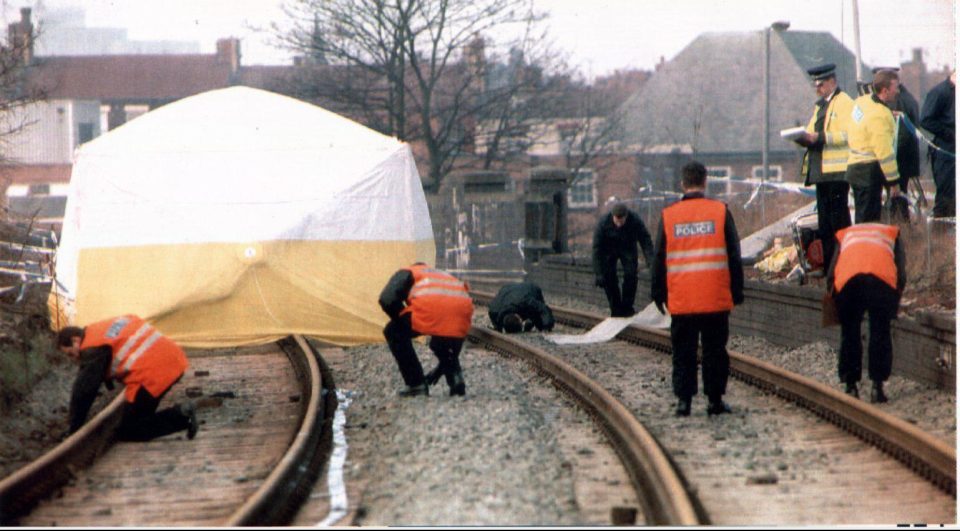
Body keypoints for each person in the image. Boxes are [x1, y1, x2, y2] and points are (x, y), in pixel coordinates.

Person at [650, 161, 744, 417]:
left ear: (683, 183)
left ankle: (684, 402)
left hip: (682, 299)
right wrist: (737, 290)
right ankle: (714, 401)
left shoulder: (669, 216)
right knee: (715, 351)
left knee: (683, 351)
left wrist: (658, 293)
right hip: (714, 297)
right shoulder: (720, 212)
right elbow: (734, 254)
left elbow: (658, 257)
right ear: (705, 182)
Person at [57, 315, 198, 441]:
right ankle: (182, 415)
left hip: (153, 375)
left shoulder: (92, 347)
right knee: (140, 415)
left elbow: (84, 391)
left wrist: (73, 429)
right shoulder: (100, 330)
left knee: (129, 429)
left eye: (71, 354)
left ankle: (182, 415)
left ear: (75, 340)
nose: (75, 359)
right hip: (175, 360)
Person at [826, 222, 905, 403]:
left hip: (848, 281)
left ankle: (850, 386)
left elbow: (831, 272)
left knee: (849, 332)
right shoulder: (892, 233)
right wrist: (895, 296)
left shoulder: (845, 234)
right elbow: (901, 273)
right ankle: (877, 388)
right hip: (881, 280)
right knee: (880, 332)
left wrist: (833, 296)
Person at [379, 262, 474, 397]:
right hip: (462, 314)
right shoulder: (442, 275)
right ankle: (456, 379)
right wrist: (440, 369)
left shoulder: (408, 271)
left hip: (431, 310)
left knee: (393, 331)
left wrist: (400, 319)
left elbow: (386, 299)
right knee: (441, 340)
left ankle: (416, 384)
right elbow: (453, 345)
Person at [794, 63, 854, 266]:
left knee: (839, 222)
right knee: (825, 223)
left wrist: (820, 137)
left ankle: (843, 263)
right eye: (815, 85)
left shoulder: (845, 103)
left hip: (836, 174)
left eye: (821, 84)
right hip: (821, 173)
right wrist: (802, 138)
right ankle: (829, 265)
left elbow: (849, 134)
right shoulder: (820, 106)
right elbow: (811, 132)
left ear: (832, 82)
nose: (817, 88)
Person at [846, 69, 901, 223]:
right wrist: (894, 182)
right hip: (868, 173)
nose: (897, 91)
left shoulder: (861, 102)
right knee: (869, 222)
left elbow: (861, 124)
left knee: (861, 217)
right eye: (895, 88)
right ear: (885, 90)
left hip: (855, 169)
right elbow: (884, 153)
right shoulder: (880, 115)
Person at [592, 202, 654, 317]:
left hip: (628, 247)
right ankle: (615, 309)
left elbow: (645, 240)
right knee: (609, 277)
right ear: (612, 216)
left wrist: (651, 261)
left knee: (631, 275)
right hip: (609, 249)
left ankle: (627, 307)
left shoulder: (635, 220)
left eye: (622, 221)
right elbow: (596, 250)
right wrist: (598, 273)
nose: (619, 224)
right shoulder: (603, 223)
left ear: (626, 216)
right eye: (617, 221)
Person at [920, 71, 956, 218]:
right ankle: (939, 234)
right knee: (946, 195)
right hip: (945, 150)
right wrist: (950, 134)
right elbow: (926, 120)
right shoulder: (939, 92)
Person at [488, 281, 555, 333]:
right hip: (508, 289)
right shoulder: (495, 310)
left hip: (530, 289)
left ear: (519, 318)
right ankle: (530, 322)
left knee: (539, 322)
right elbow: (491, 312)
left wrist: (546, 326)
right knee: (532, 312)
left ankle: (532, 322)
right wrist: (498, 327)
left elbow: (543, 309)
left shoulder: (526, 301)